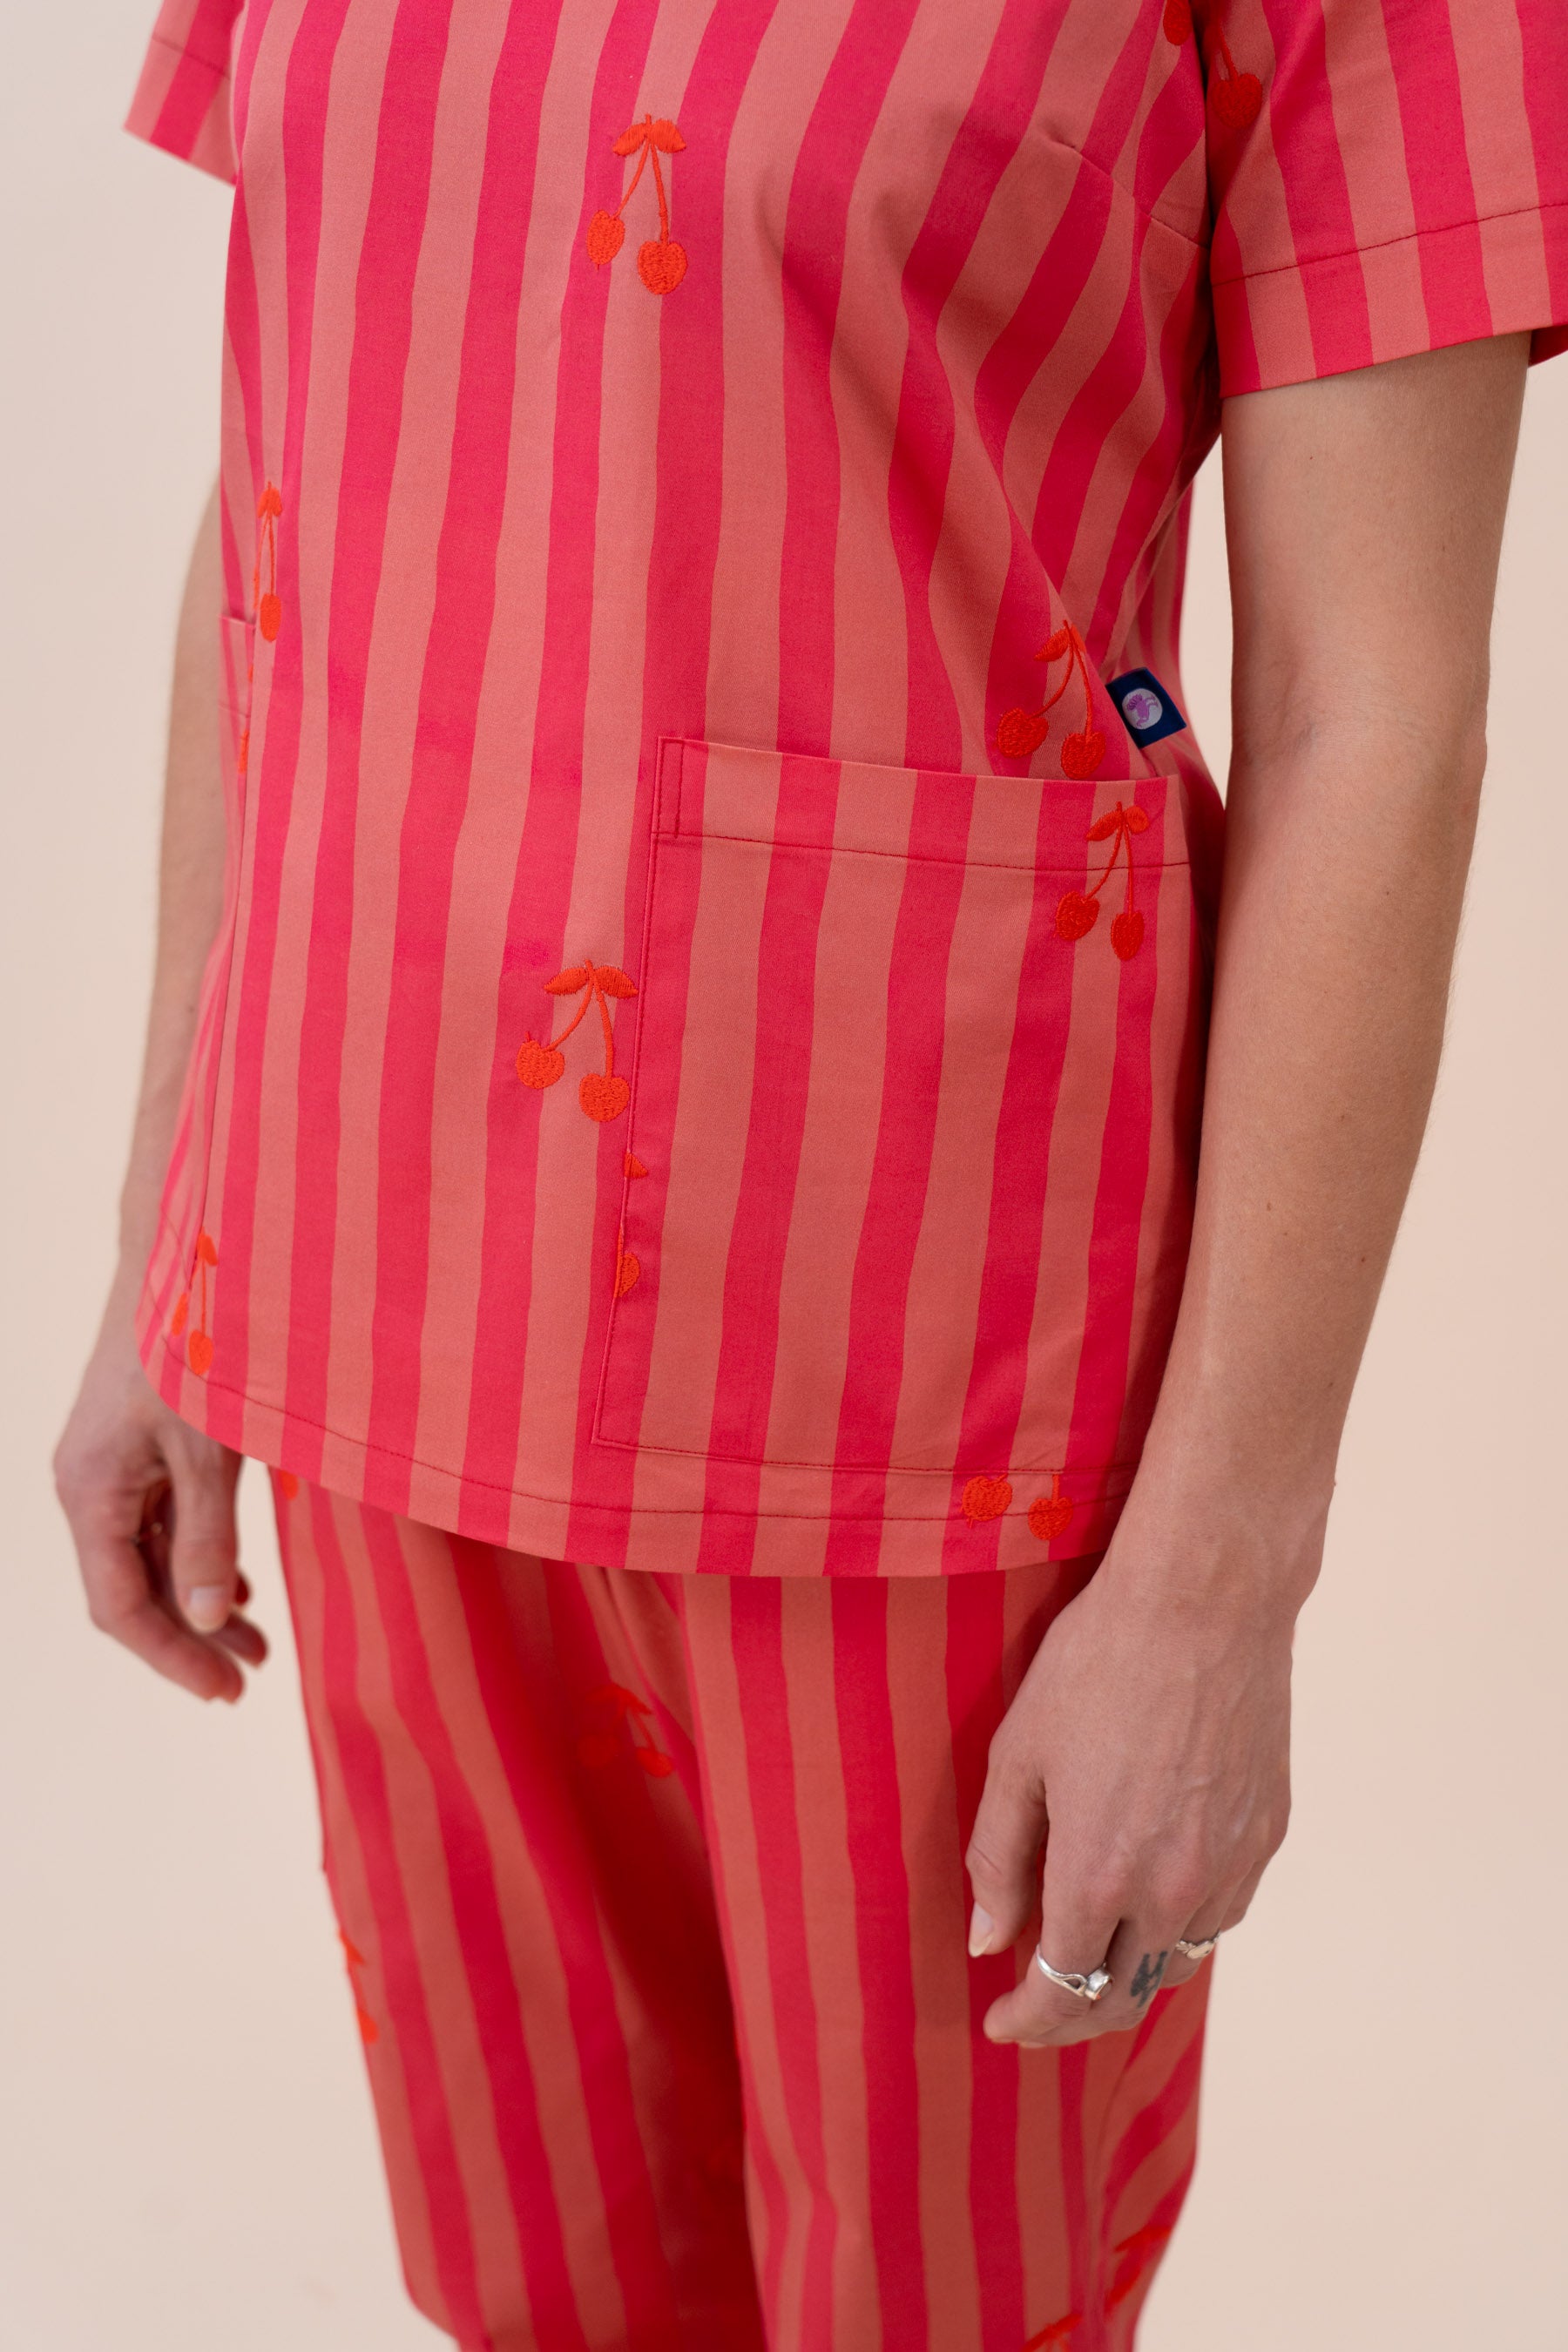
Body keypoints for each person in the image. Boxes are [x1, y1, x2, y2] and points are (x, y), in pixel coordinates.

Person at [54, 2, 1565, 2345]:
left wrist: (1216, 1584)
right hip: (364, 1284)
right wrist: (174, 1234)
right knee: (537, 2287)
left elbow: (1374, 716)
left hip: (925, 1376)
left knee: (946, 2306)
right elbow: (287, 474)